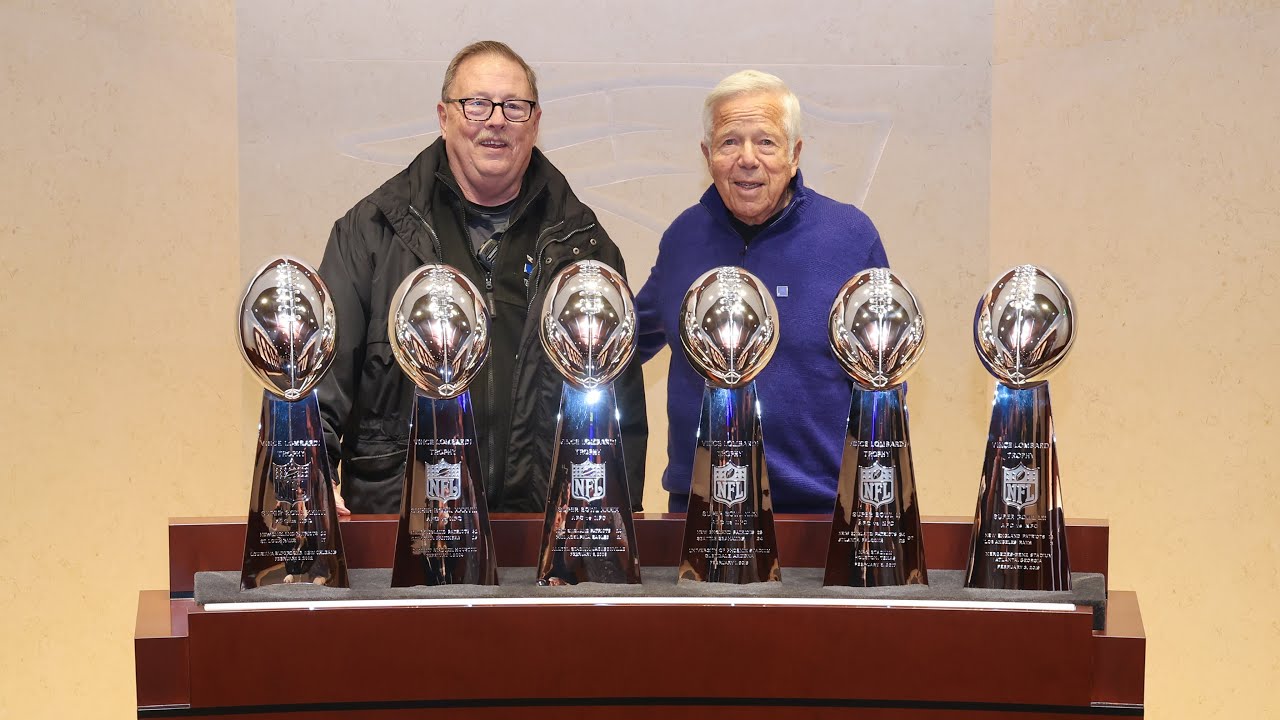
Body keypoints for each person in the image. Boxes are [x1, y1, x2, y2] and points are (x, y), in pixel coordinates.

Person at [317, 41, 647, 514]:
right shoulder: (371, 232)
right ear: (444, 116)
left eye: (514, 107)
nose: (495, 120)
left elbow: (623, 405)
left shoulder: (585, 246)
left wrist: (622, 507)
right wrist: (313, 477)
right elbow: (315, 374)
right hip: (398, 531)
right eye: (476, 104)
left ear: (535, 124)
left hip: (540, 534)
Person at [635, 70, 888, 514]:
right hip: (697, 508)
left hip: (817, 514)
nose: (747, 159)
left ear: (794, 155)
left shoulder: (850, 236)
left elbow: (886, 378)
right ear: (707, 154)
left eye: (766, 142)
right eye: (730, 142)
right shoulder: (683, 237)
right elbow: (624, 344)